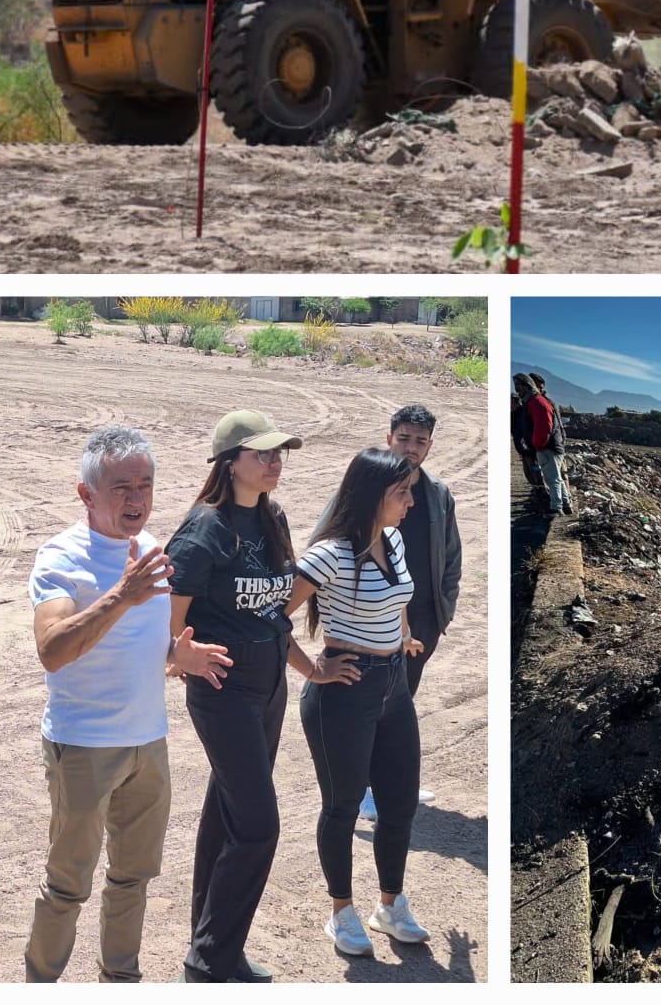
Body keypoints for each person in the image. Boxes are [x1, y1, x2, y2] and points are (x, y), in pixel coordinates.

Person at [24, 425, 231, 984]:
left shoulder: (154, 551)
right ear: (87, 494)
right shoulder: (61, 557)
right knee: (68, 883)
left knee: (133, 878)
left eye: (145, 484)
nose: (137, 499)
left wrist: (175, 654)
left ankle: (121, 981)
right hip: (84, 745)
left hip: (148, 743)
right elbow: (53, 650)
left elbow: (142, 641)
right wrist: (122, 594)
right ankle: (40, 984)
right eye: (121, 487)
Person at [166, 410, 359, 984]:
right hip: (223, 686)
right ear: (230, 463)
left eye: (280, 454)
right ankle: (208, 965)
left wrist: (311, 668)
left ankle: (213, 947)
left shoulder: (272, 517)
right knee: (258, 827)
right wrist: (181, 659)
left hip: (269, 679)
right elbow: (168, 623)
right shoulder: (204, 530)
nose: (276, 463)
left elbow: (272, 613)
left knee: (227, 818)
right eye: (263, 454)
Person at [291, 449, 430, 957]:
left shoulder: (392, 540)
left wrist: (401, 639)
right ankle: (341, 913)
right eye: (402, 493)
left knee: (400, 803)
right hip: (343, 694)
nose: (411, 502)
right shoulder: (329, 554)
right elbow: (270, 617)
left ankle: (390, 906)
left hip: (393, 686)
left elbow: (399, 599)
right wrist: (312, 669)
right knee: (343, 807)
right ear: (373, 496)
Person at [314, 404, 462, 820]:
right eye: (404, 438)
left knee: (397, 704)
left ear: (430, 446)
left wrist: (441, 612)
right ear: (388, 438)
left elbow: (451, 558)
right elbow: (322, 550)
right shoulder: (361, 490)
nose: (411, 448)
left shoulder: (437, 496)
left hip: (420, 624)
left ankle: (387, 782)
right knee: (363, 708)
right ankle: (359, 790)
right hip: (367, 626)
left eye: (420, 441)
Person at [516, 375, 571, 515]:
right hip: (553, 445)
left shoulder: (536, 402)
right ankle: (565, 503)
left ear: (527, 386)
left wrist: (537, 444)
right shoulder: (537, 401)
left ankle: (556, 507)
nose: (517, 389)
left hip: (547, 447)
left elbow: (544, 426)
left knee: (552, 479)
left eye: (518, 386)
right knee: (557, 477)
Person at [510, 377, 545, 504]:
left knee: (535, 471)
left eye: (512, 402)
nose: (510, 405)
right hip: (523, 450)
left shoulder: (522, 413)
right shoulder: (513, 415)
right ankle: (538, 492)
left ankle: (541, 493)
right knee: (529, 472)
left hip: (529, 449)